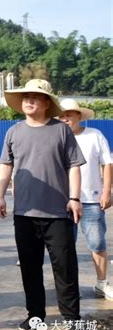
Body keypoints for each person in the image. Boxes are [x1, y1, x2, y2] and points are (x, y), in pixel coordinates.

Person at [0, 79, 86, 330]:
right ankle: (35, 315)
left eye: (36, 97)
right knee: (29, 267)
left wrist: (75, 198)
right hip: (24, 213)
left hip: (58, 213)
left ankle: (72, 317)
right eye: (26, 97)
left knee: (65, 267)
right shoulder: (13, 131)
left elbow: (74, 165)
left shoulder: (61, 130)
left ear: (47, 103)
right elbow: (6, 166)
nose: (29, 101)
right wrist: (1, 196)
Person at [58, 98, 113, 301]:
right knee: (65, 246)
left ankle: (101, 283)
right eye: (61, 115)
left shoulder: (94, 135)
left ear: (78, 116)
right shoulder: (56, 137)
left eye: (69, 115)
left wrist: (107, 191)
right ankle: (71, 288)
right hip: (63, 202)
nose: (65, 119)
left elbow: (107, 164)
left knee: (97, 243)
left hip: (91, 200)